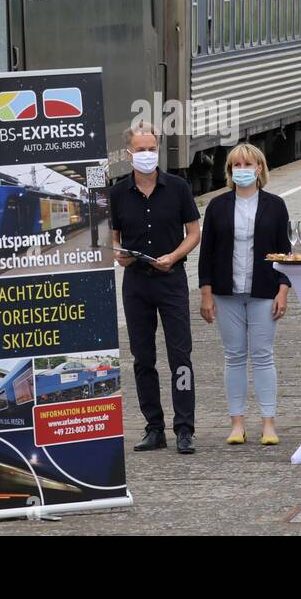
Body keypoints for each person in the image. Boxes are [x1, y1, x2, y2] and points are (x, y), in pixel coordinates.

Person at [110, 122, 202, 455]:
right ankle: (154, 427)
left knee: (180, 355)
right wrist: (120, 254)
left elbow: (194, 233)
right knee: (142, 357)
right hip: (136, 284)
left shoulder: (178, 187)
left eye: (152, 148)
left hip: (171, 280)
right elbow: (114, 237)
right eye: (140, 149)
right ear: (128, 153)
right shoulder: (118, 192)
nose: (147, 155)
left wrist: (174, 256)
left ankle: (185, 428)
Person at [198, 144, 291, 446]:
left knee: (263, 356)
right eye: (236, 165)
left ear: (260, 168)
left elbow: (284, 251)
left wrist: (283, 289)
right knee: (234, 356)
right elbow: (207, 252)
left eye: (247, 164)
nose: (242, 170)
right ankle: (236, 423)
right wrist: (206, 294)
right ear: (229, 171)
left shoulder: (275, 205)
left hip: (264, 290)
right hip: (227, 293)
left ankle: (268, 423)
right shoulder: (217, 206)